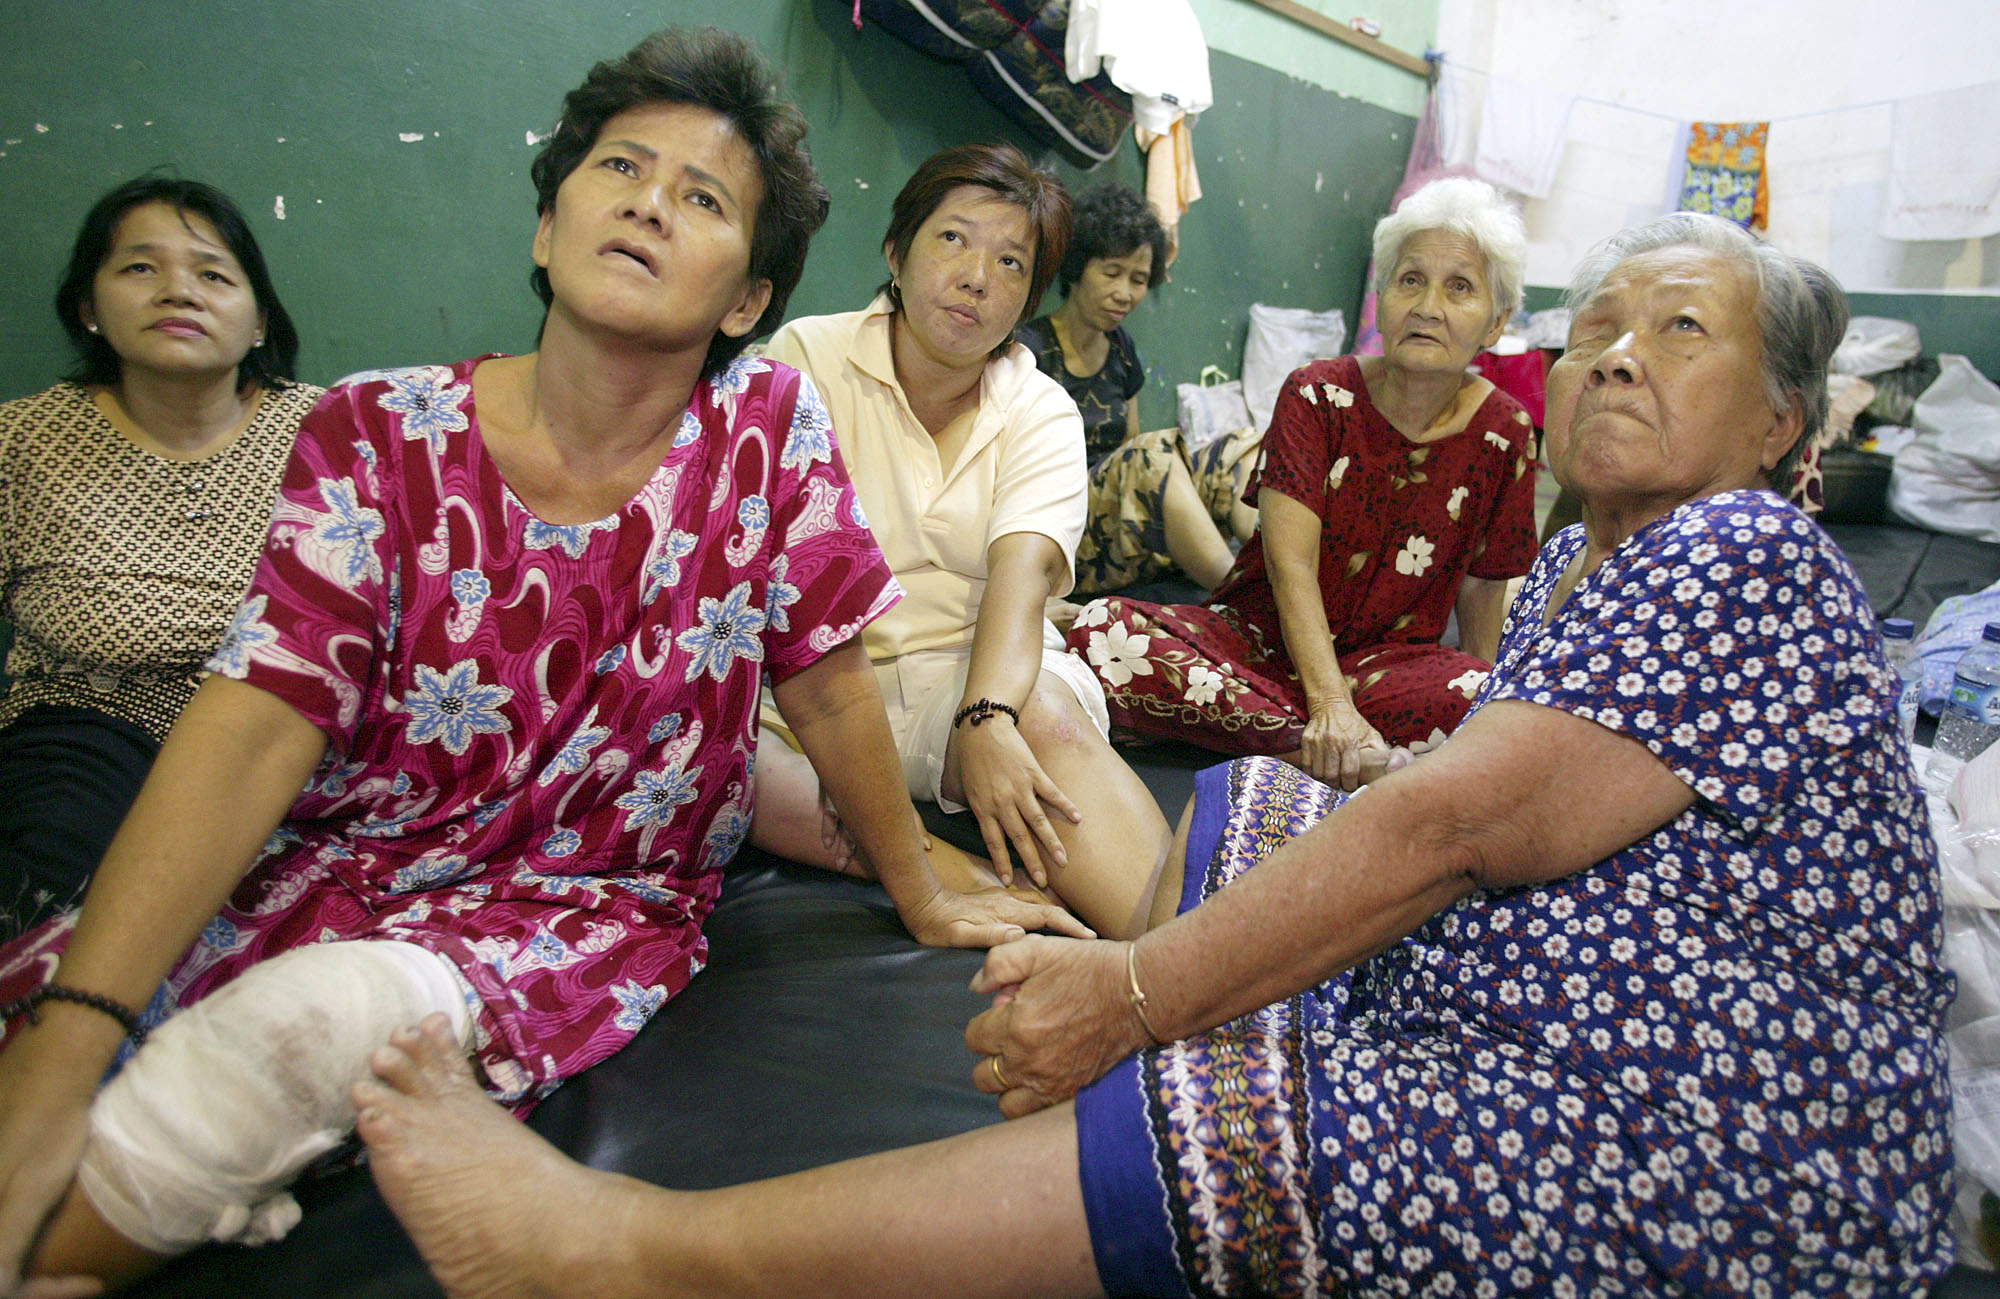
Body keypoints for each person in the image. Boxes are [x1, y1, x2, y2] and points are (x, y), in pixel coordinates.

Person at [344, 210, 1951, 1298]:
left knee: (1242, 1108)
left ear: (1783, 426)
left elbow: (1462, 826)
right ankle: (1141, 932)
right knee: (1264, 800)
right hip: (1551, 965)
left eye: (1678, 331)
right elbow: (1450, 749)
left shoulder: (1738, 543)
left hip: (1695, 1133)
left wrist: (1133, 997)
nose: (1614, 353)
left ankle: (617, 1250)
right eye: (1598, 325)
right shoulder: (1599, 544)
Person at [0, 28, 1083, 1297]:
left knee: (306, 1036)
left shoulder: (764, 434)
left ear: (745, 300)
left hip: (583, 896)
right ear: (545, 228)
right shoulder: (374, 433)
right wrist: (73, 1035)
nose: (646, 201)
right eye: (620, 167)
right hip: (339, 855)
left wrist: (916, 886)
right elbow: (255, 718)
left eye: (702, 197)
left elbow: (826, 679)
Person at [747, 145, 1175, 943]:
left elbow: (1021, 581)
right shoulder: (805, 361)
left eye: (1011, 261)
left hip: (970, 669)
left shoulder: (1040, 409)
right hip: (821, 691)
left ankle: (1194, 964)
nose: (977, 276)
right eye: (952, 240)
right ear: (895, 252)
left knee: (1040, 716)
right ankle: (934, 861)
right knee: (725, 766)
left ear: (1029, 296)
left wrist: (986, 717)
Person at [1067, 177, 1541, 790]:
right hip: (1254, 642)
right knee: (1107, 631)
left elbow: (1483, 589)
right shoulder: (1316, 394)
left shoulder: (1506, 431)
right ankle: (1330, 752)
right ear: (1383, 297)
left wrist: (1479, 714)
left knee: (1491, 702)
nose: (1428, 306)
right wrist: (1328, 706)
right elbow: (1290, 566)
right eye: (1410, 280)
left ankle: (1259, 735)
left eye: (1460, 288)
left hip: (1391, 667)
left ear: (1496, 322)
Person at [0, 177, 323, 940]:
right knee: (49, 898)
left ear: (257, 324)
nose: (179, 291)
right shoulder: (22, 444)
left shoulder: (330, 434)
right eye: (140, 268)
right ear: (88, 306)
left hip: (284, 746)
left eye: (213, 273)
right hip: (92, 731)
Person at [1014, 183, 1250, 593]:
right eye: (1111, 273)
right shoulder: (1028, 351)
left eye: (1139, 279)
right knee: (1149, 456)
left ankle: (1284, 579)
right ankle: (1240, 597)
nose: (1124, 294)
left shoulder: (1122, 350)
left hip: (1123, 517)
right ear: (1078, 268)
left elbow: (1130, 443)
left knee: (1242, 447)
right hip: (1065, 531)